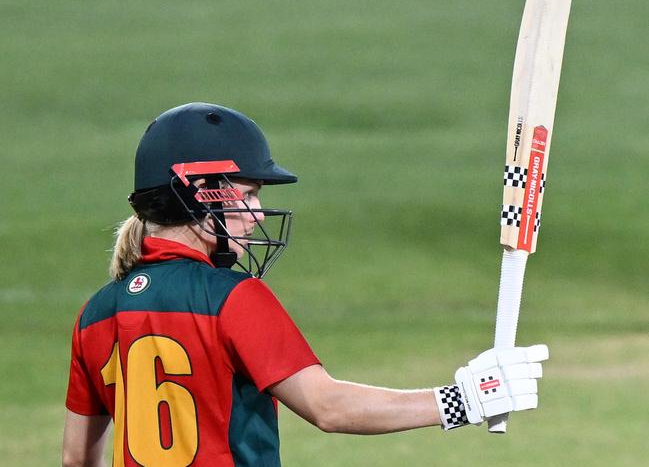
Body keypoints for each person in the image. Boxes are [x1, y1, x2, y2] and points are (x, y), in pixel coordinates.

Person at [62, 102, 549, 467]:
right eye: (248, 193)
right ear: (199, 192)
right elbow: (328, 407)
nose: (255, 213)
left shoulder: (96, 315)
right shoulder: (231, 299)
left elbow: (75, 458)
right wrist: (463, 400)